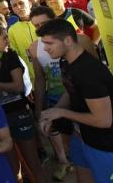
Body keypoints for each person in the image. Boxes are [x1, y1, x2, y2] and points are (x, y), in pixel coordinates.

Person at [37, 19, 113, 183]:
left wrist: (62, 112)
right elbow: (70, 90)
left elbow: (104, 120)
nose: (45, 48)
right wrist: (53, 113)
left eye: (49, 43)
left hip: (104, 144)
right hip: (82, 137)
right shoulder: (65, 60)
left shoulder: (88, 72)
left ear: (68, 40)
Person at [0, 24, 47, 182]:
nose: (8, 40)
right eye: (4, 38)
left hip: (19, 114)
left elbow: (18, 86)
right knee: (13, 168)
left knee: (34, 163)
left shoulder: (11, 56)